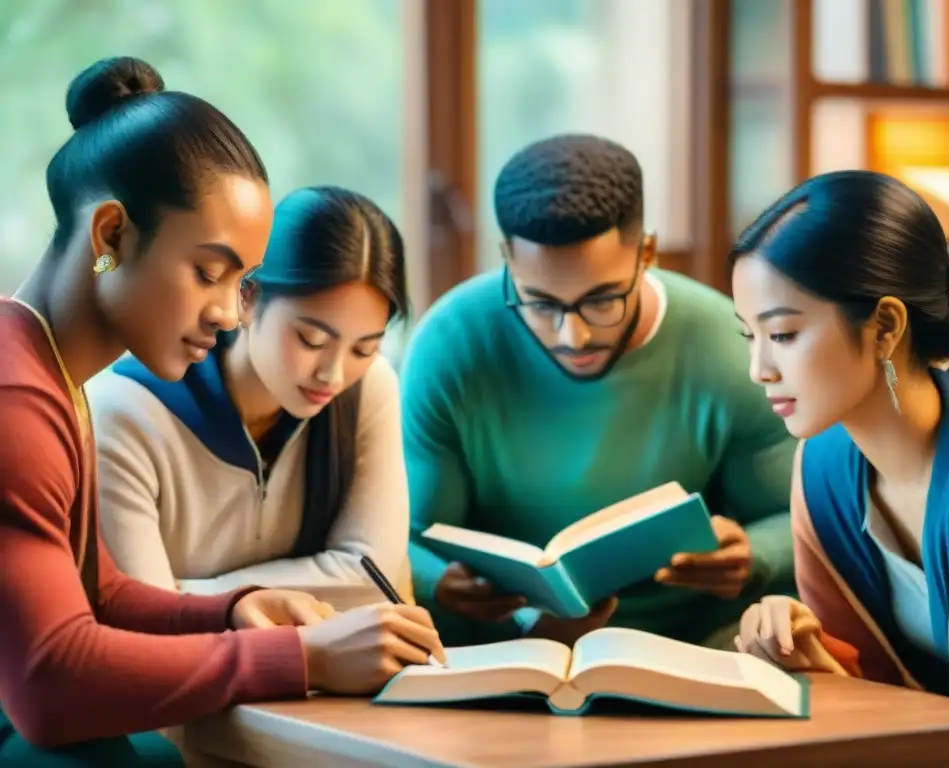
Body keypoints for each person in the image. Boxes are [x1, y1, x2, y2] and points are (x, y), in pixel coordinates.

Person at [0, 56, 443, 765]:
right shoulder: (17, 400)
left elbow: (103, 595)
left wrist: (233, 612)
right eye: (208, 272)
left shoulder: (49, 371)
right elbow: (49, 685)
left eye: (240, 280)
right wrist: (300, 659)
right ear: (111, 236)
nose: (225, 312)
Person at [401, 133, 798, 649]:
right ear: (507, 258)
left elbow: (799, 519)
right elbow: (405, 536)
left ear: (647, 253)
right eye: (541, 303)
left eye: (602, 300)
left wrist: (754, 554)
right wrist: (439, 582)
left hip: (690, 644)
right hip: (502, 645)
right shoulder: (449, 343)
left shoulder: (728, 344)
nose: (574, 336)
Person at [731, 169, 949, 711]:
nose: (759, 369)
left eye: (783, 335)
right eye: (749, 336)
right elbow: (869, 693)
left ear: (886, 326)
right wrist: (804, 648)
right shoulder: (822, 470)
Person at [87, 185, 412, 607]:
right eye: (311, 339)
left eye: (364, 348)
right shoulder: (126, 412)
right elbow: (144, 613)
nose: (333, 374)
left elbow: (374, 577)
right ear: (248, 298)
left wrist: (190, 596)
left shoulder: (368, 388)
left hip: (322, 673)